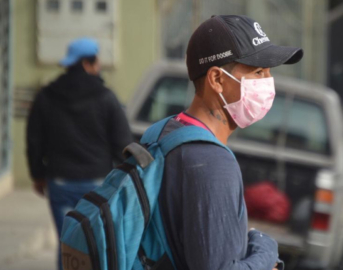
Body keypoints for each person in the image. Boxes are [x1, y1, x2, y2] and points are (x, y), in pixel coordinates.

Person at [156, 15, 302, 270]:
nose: (268, 83)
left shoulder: (165, 132)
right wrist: (267, 252)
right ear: (217, 80)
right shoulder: (211, 162)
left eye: (268, 72)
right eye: (258, 71)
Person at [26, 38, 132, 270]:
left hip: (60, 183)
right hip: (97, 186)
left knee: (68, 243)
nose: (99, 67)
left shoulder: (46, 96)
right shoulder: (106, 97)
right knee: (97, 244)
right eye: (97, 62)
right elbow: (122, 144)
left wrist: (37, 175)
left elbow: (34, 139)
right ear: (87, 63)